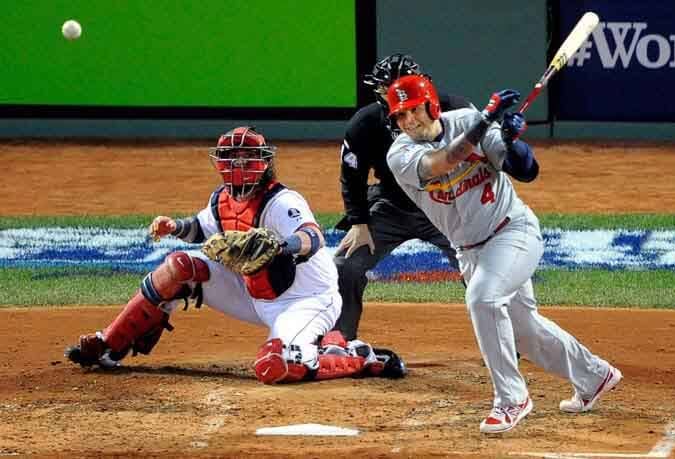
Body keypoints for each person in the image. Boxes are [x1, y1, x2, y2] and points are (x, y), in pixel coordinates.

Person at [65, 126, 406, 384]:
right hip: (251, 292)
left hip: (306, 299)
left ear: (264, 163)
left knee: (276, 366)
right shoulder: (221, 200)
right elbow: (200, 228)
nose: (239, 164)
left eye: (247, 157)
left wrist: (280, 246)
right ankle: (109, 344)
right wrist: (174, 227)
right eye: (232, 157)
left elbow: (312, 238)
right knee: (179, 266)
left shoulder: (282, 201)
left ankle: (355, 355)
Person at [384, 75, 622, 434]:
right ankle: (595, 376)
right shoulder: (400, 154)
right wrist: (485, 122)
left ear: (431, 105)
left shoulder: (467, 120)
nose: (408, 121)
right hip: (469, 251)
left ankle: (512, 399)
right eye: (400, 115)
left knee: (483, 299)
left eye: (414, 110)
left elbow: (526, 170)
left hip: (513, 232)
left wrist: (511, 140)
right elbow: (441, 162)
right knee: (524, 332)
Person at [334, 54, 471, 341]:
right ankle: (339, 342)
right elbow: (352, 176)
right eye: (388, 89)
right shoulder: (365, 123)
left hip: (445, 206)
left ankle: (507, 342)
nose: (397, 95)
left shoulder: (456, 110)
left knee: (481, 270)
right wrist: (359, 223)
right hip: (392, 206)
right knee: (345, 265)